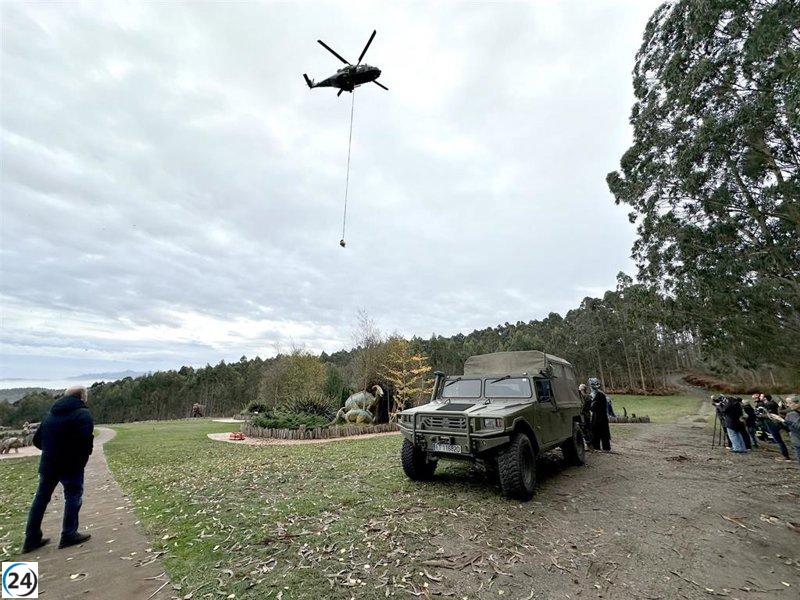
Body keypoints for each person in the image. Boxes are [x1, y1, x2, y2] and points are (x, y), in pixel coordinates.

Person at [23, 386, 94, 553]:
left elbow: (37, 440)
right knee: (73, 496)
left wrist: (51, 450)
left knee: (41, 499)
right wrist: (82, 459)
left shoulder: (51, 415)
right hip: (72, 465)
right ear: (82, 397)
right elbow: (85, 442)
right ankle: (69, 533)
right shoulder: (83, 414)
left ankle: (31, 538)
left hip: (49, 463)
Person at [766, 396, 800, 467]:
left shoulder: (793, 414)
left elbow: (797, 426)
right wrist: (777, 419)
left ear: (797, 403)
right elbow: (787, 426)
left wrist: (782, 420)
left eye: (790, 403)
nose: (788, 405)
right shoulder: (791, 414)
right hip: (796, 441)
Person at [763, 393, 790, 460]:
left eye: (762, 396)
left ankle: (785, 456)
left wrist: (762, 415)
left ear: (765, 398)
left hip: (773, 423)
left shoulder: (768, 405)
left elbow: (770, 415)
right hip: (779, 421)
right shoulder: (773, 403)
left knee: (779, 440)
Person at [588, 377, 611, 451]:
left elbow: (594, 407)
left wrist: (591, 405)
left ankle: (604, 448)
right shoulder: (597, 394)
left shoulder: (599, 395)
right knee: (597, 433)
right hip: (598, 416)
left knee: (600, 432)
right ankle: (598, 447)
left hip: (599, 417)